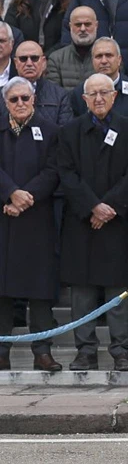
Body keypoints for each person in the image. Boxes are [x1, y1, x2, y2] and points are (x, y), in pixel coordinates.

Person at [57, 73, 128, 371]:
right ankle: (85, 350)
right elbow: (67, 175)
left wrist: (110, 207)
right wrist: (93, 206)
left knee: (118, 289)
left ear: (114, 96)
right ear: (83, 99)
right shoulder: (69, 132)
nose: (98, 99)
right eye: (92, 94)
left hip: (118, 223)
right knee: (82, 291)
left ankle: (121, 350)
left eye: (104, 93)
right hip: (81, 222)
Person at [0, 77, 62, 372]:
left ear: (34, 99)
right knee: (1, 292)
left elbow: (54, 170)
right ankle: (1, 352)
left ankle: (42, 352)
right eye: (14, 100)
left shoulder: (50, 131)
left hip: (37, 220)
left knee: (40, 292)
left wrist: (27, 197)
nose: (21, 104)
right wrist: (11, 193)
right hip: (3, 220)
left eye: (25, 98)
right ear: (5, 102)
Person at [68, 37, 128, 132]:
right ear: (92, 61)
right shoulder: (80, 92)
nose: (104, 61)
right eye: (99, 56)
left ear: (119, 59)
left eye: (109, 55)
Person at [12, 42, 71, 127]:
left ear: (43, 62)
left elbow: (65, 132)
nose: (29, 63)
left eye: (34, 58)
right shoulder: (3, 94)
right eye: (23, 59)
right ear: (16, 63)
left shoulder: (60, 95)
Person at [47, 6, 99, 91]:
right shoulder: (56, 59)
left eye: (87, 24)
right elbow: (54, 96)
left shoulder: (108, 57)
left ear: (96, 25)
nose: (82, 29)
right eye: (78, 25)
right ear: (70, 26)